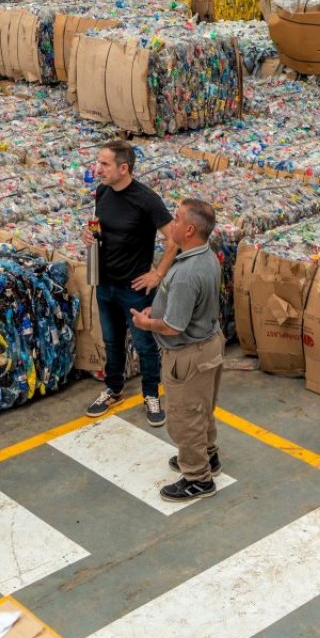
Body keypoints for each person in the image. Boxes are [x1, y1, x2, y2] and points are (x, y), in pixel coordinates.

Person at [131, 199, 225, 502]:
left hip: (187, 355)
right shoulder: (205, 256)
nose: (170, 223)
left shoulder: (185, 273)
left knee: (185, 418)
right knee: (202, 409)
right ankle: (208, 455)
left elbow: (173, 327)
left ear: (189, 229)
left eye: (177, 218)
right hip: (208, 346)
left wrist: (147, 323)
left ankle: (198, 478)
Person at [83, 139, 176, 427]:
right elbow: (100, 227)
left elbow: (174, 238)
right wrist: (88, 236)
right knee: (111, 341)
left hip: (134, 288)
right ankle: (114, 389)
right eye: (98, 163)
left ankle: (151, 394)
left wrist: (157, 273)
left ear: (124, 168)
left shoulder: (147, 199)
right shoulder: (102, 192)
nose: (98, 169)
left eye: (104, 164)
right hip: (105, 283)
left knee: (145, 344)